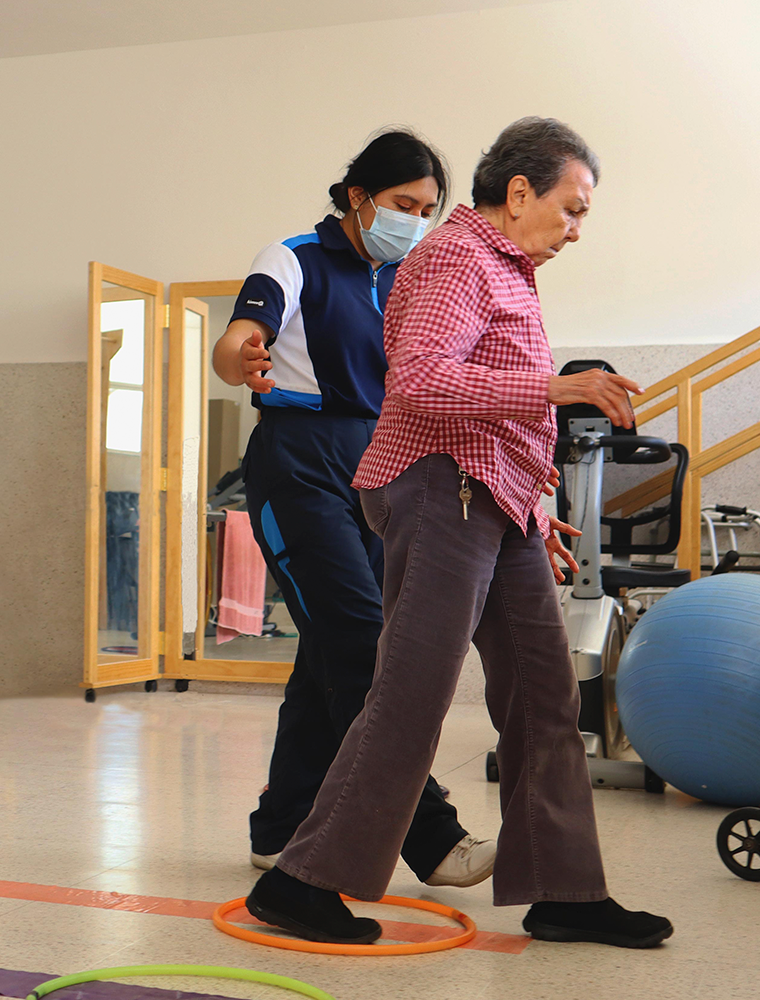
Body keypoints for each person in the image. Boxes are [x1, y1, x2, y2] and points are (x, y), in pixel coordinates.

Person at [243, 118, 673, 949]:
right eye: (572, 209)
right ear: (519, 192)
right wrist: (557, 387)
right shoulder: (454, 257)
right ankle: (302, 882)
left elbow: (487, 402)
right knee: (412, 690)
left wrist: (533, 504)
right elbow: (424, 381)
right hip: (443, 492)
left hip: (497, 502)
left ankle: (562, 890)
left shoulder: (507, 267)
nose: (576, 230)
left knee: (544, 695)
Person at [212, 130, 494, 891]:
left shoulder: (412, 279)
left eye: (428, 210)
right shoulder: (294, 257)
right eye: (404, 204)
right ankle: (431, 836)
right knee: (361, 641)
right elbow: (237, 340)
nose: (416, 221)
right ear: (359, 195)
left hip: (382, 470)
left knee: (326, 656)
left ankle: (280, 828)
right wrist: (242, 357)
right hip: (298, 464)